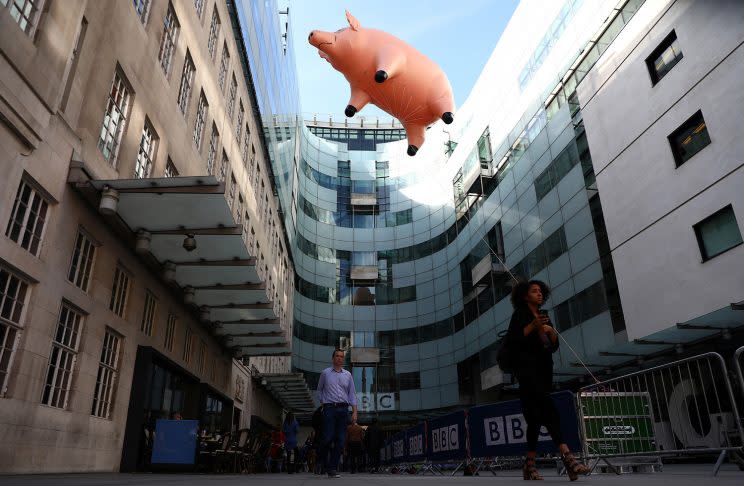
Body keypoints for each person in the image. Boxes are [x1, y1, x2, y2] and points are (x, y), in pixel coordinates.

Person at [507, 280, 589, 481]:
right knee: (548, 408)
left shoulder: (545, 315)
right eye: (534, 291)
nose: (539, 294)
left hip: (544, 370)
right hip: (527, 371)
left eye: (540, 291)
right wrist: (531, 327)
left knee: (535, 419)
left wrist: (551, 333)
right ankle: (568, 457)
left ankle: (530, 465)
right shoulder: (520, 314)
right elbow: (513, 340)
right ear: (525, 295)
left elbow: (552, 347)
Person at [316, 348, 358, 478]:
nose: (339, 358)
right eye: (337, 356)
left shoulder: (348, 375)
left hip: (343, 409)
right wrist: (323, 403)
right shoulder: (325, 373)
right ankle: (322, 460)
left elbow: (352, 394)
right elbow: (319, 390)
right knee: (328, 438)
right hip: (329, 408)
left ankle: (332, 468)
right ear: (333, 358)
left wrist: (355, 411)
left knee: (340, 440)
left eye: (341, 356)